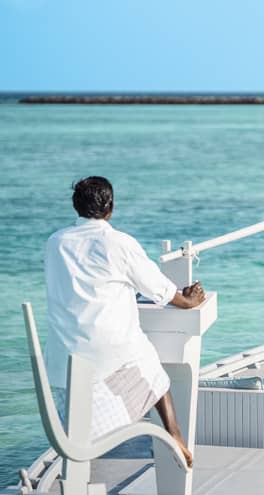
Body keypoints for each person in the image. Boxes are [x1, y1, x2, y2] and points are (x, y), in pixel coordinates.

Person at [45, 176, 203, 467]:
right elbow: (159, 289)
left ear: (75, 207)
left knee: (131, 357)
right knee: (152, 368)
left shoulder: (55, 243)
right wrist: (188, 300)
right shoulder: (118, 242)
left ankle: (84, 450)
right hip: (105, 359)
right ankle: (175, 434)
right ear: (111, 207)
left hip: (63, 364)